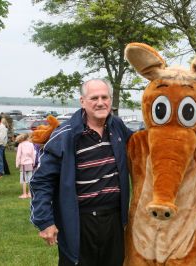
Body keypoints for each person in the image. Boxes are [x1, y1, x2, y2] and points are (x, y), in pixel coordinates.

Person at [30, 79, 133, 266]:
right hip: (79, 221)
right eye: (94, 98)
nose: (100, 102)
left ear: (110, 100)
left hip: (115, 220)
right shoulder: (65, 135)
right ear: (82, 101)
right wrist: (45, 221)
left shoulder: (118, 128)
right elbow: (41, 181)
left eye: (105, 97)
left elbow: (142, 149)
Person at [16, 133, 35, 199]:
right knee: (30, 179)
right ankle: (30, 193)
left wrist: (17, 164)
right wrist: (34, 162)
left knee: (24, 180)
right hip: (30, 164)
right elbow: (33, 154)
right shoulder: (31, 144)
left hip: (23, 164)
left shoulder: (20, 145)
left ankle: (24, 194)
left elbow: (18, 155)